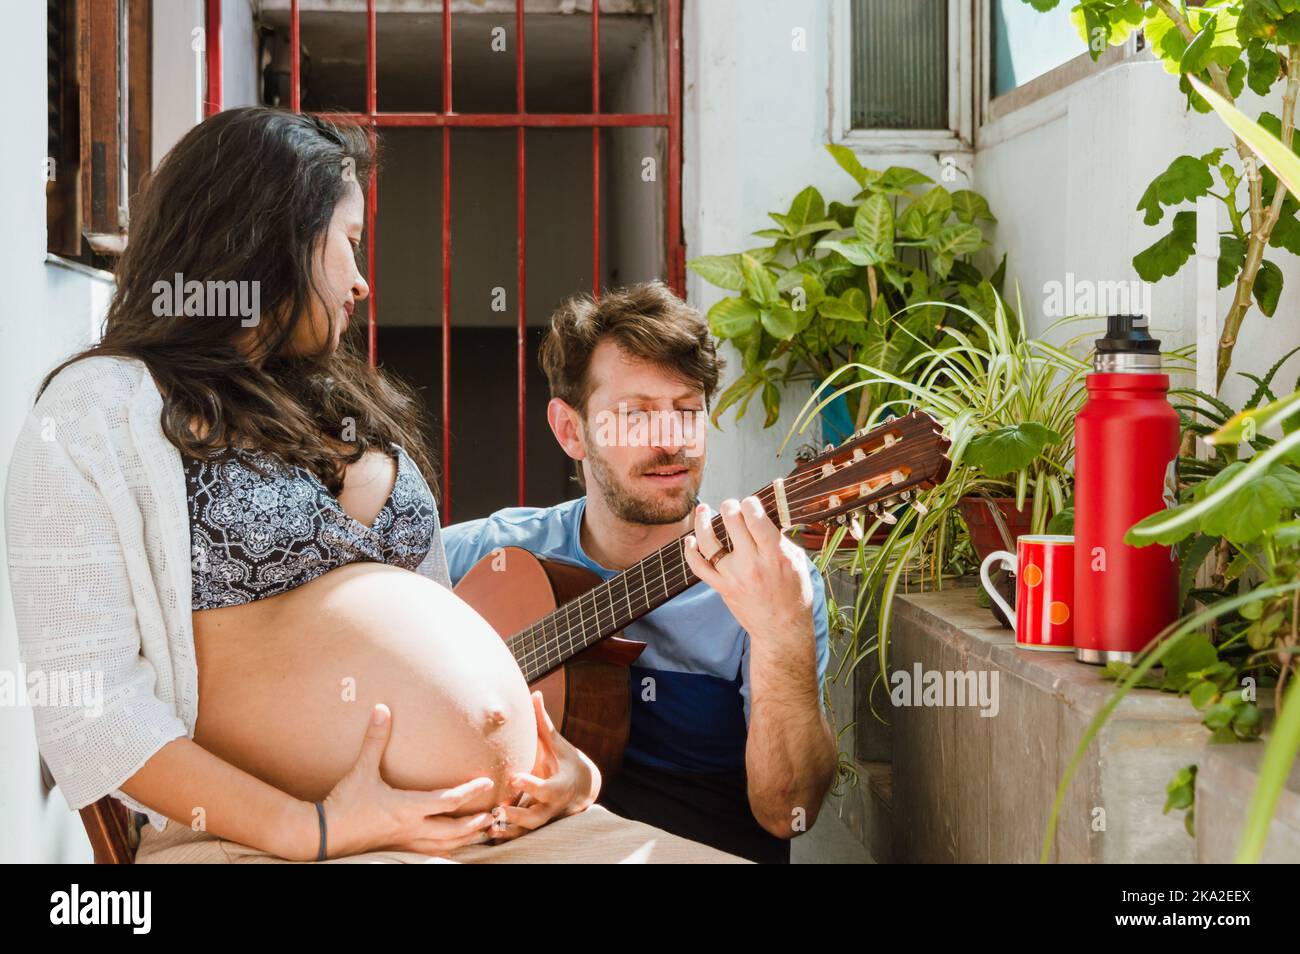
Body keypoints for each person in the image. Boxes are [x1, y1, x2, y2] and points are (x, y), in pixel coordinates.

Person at [5, 107, 742, 864]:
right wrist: (316, 827)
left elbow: (439, 647)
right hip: (262, 839)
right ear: (266, 237)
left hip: (500, 822)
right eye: (349, 243)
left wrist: (565, 771)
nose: (362, 281)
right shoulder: (100, 412)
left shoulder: (351, 409)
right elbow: (89, 712)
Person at [442, 282, 837, 864]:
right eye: (636, 415)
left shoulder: (774, 581)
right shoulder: (485, 555)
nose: (671, 442)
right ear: (570, 430)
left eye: (687, 412)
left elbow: (787, 811)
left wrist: (782, 634)